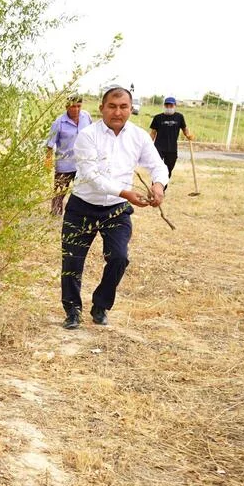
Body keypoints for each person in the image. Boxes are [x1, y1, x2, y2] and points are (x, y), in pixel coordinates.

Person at [60, 85, 169, 330]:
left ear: (131, 109)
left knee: (119, 258)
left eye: (123, 107)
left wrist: (159, 186)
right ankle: (72, 311)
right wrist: (126, 192)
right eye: (112, 106)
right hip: (82, 206)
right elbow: (91, 175)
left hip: (116, 209)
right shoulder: (87, 136)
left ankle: (101, 305)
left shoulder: (139, 137)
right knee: (72, 261)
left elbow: (158, 166)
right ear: (102, 109)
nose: (117, 112)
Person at [45, 95, 91, 216]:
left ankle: (78, 215)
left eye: (78, 106)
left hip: (83, 163)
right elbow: (50, 145)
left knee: (82, 192)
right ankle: (55, 215)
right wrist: (48, 163)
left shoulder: (86, 117)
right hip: (64, 164)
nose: (76, 109)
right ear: (67, 107)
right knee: (59, 192)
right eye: (73, 106)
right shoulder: (59, 122)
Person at [148, 96, 195, 178]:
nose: (169, 107)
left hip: (172, 149)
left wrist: (188, 135)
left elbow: (184, 128)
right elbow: (153, 133)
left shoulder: (179, 117)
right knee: (157, 169)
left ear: (175, 106)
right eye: (167, 105)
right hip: (158, 148)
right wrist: (148, 143)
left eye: (171, 105)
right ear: (164, 106)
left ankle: (162, 188)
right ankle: (156, 188)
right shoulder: (157, 118)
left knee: (168, 170)